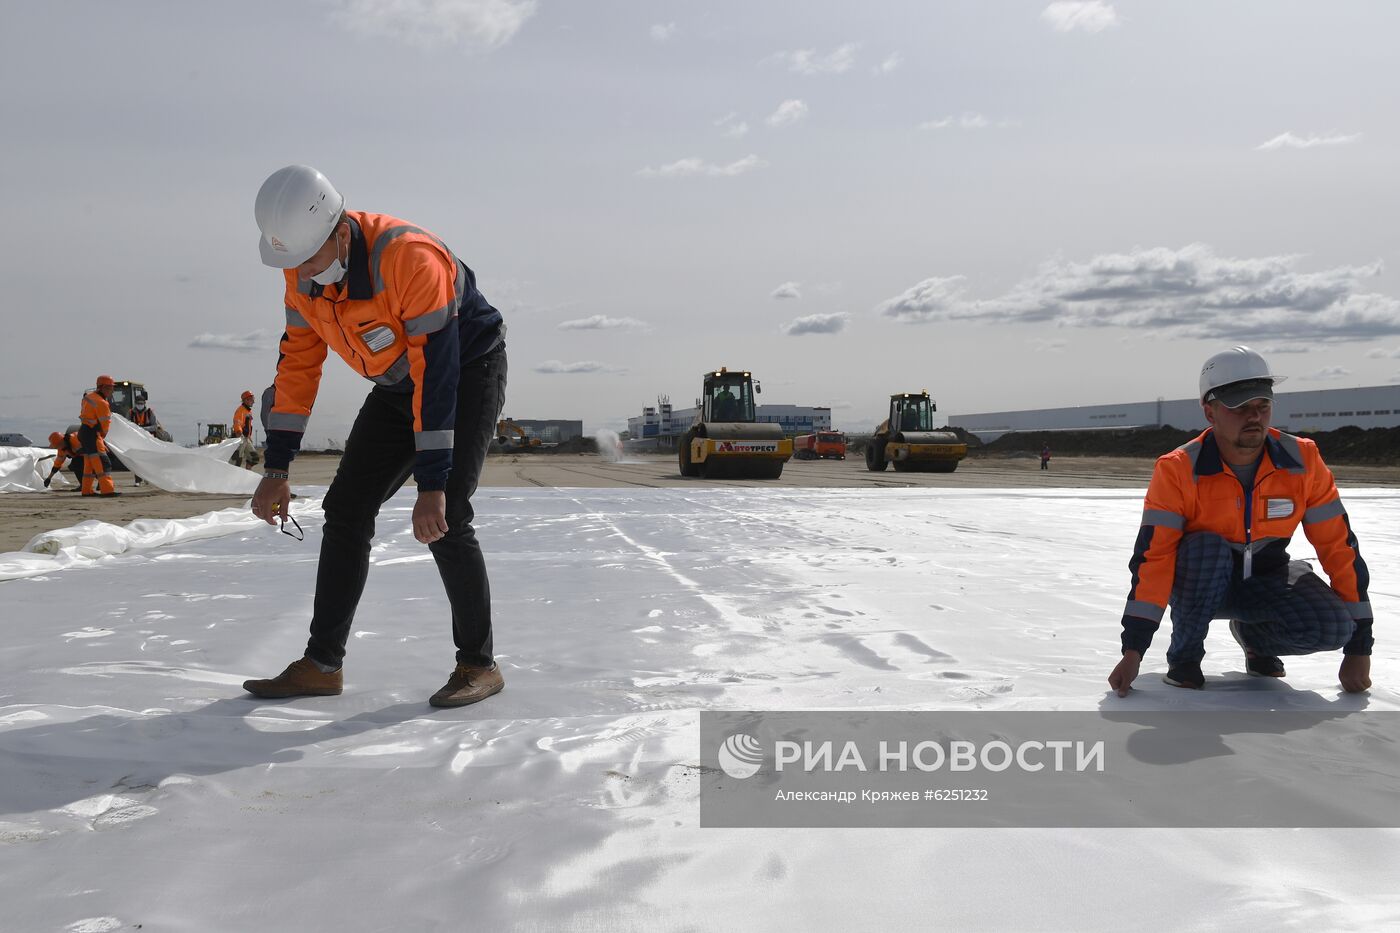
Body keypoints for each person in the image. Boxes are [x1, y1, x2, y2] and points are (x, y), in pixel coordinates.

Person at [242, 164, 507, 707]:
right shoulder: (299, 271)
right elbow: (297, 367)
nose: (302, 274)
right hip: (395, 382)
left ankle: (478, 664)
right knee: (346, 510)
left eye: (309, 260)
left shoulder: (409, 260)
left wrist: (432, 483)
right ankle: (321, 665)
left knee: (448, 512)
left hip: (465, 372)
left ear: (340, 232)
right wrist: (276, 468)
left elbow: (437, 377)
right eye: (291, 264)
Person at [1108, 346, 1373, 696]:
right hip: (1199, 584)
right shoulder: (1178, 469)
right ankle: (1185, 657)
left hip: (1266, 578)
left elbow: (1339, 547)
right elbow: (1153, 559)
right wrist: (1134, 650)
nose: (1254, 417)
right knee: (1208, 547)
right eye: (1240, 407)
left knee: (1332, 627)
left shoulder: (1302, 460)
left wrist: (1359, 647)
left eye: (1262, 406)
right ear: (1210, 411)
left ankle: (1257, 641)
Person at [77, 376, 120, 497]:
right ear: (102, 387)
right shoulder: (102, 403)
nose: (111, 391)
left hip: (84, 432)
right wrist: (102, 438)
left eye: (112, 388)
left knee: (89, 464)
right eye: (109, 388)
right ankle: (107, 490)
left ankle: (86, 490)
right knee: (103, 462)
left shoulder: (88, 397)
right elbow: (105, 425)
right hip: (93, 434)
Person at [232, 390, 256, 468]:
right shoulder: (241, 410)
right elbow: (237, 422)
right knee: (236, 461)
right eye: (252, 400)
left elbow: (248, 425)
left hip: (246, 438)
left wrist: (249, 436)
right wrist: (239, 433)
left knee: (254, 458)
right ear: (246, 400)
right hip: (240, 437)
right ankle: (231, 477)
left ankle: (246, 474)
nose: (254, 402)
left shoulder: (248, 411)